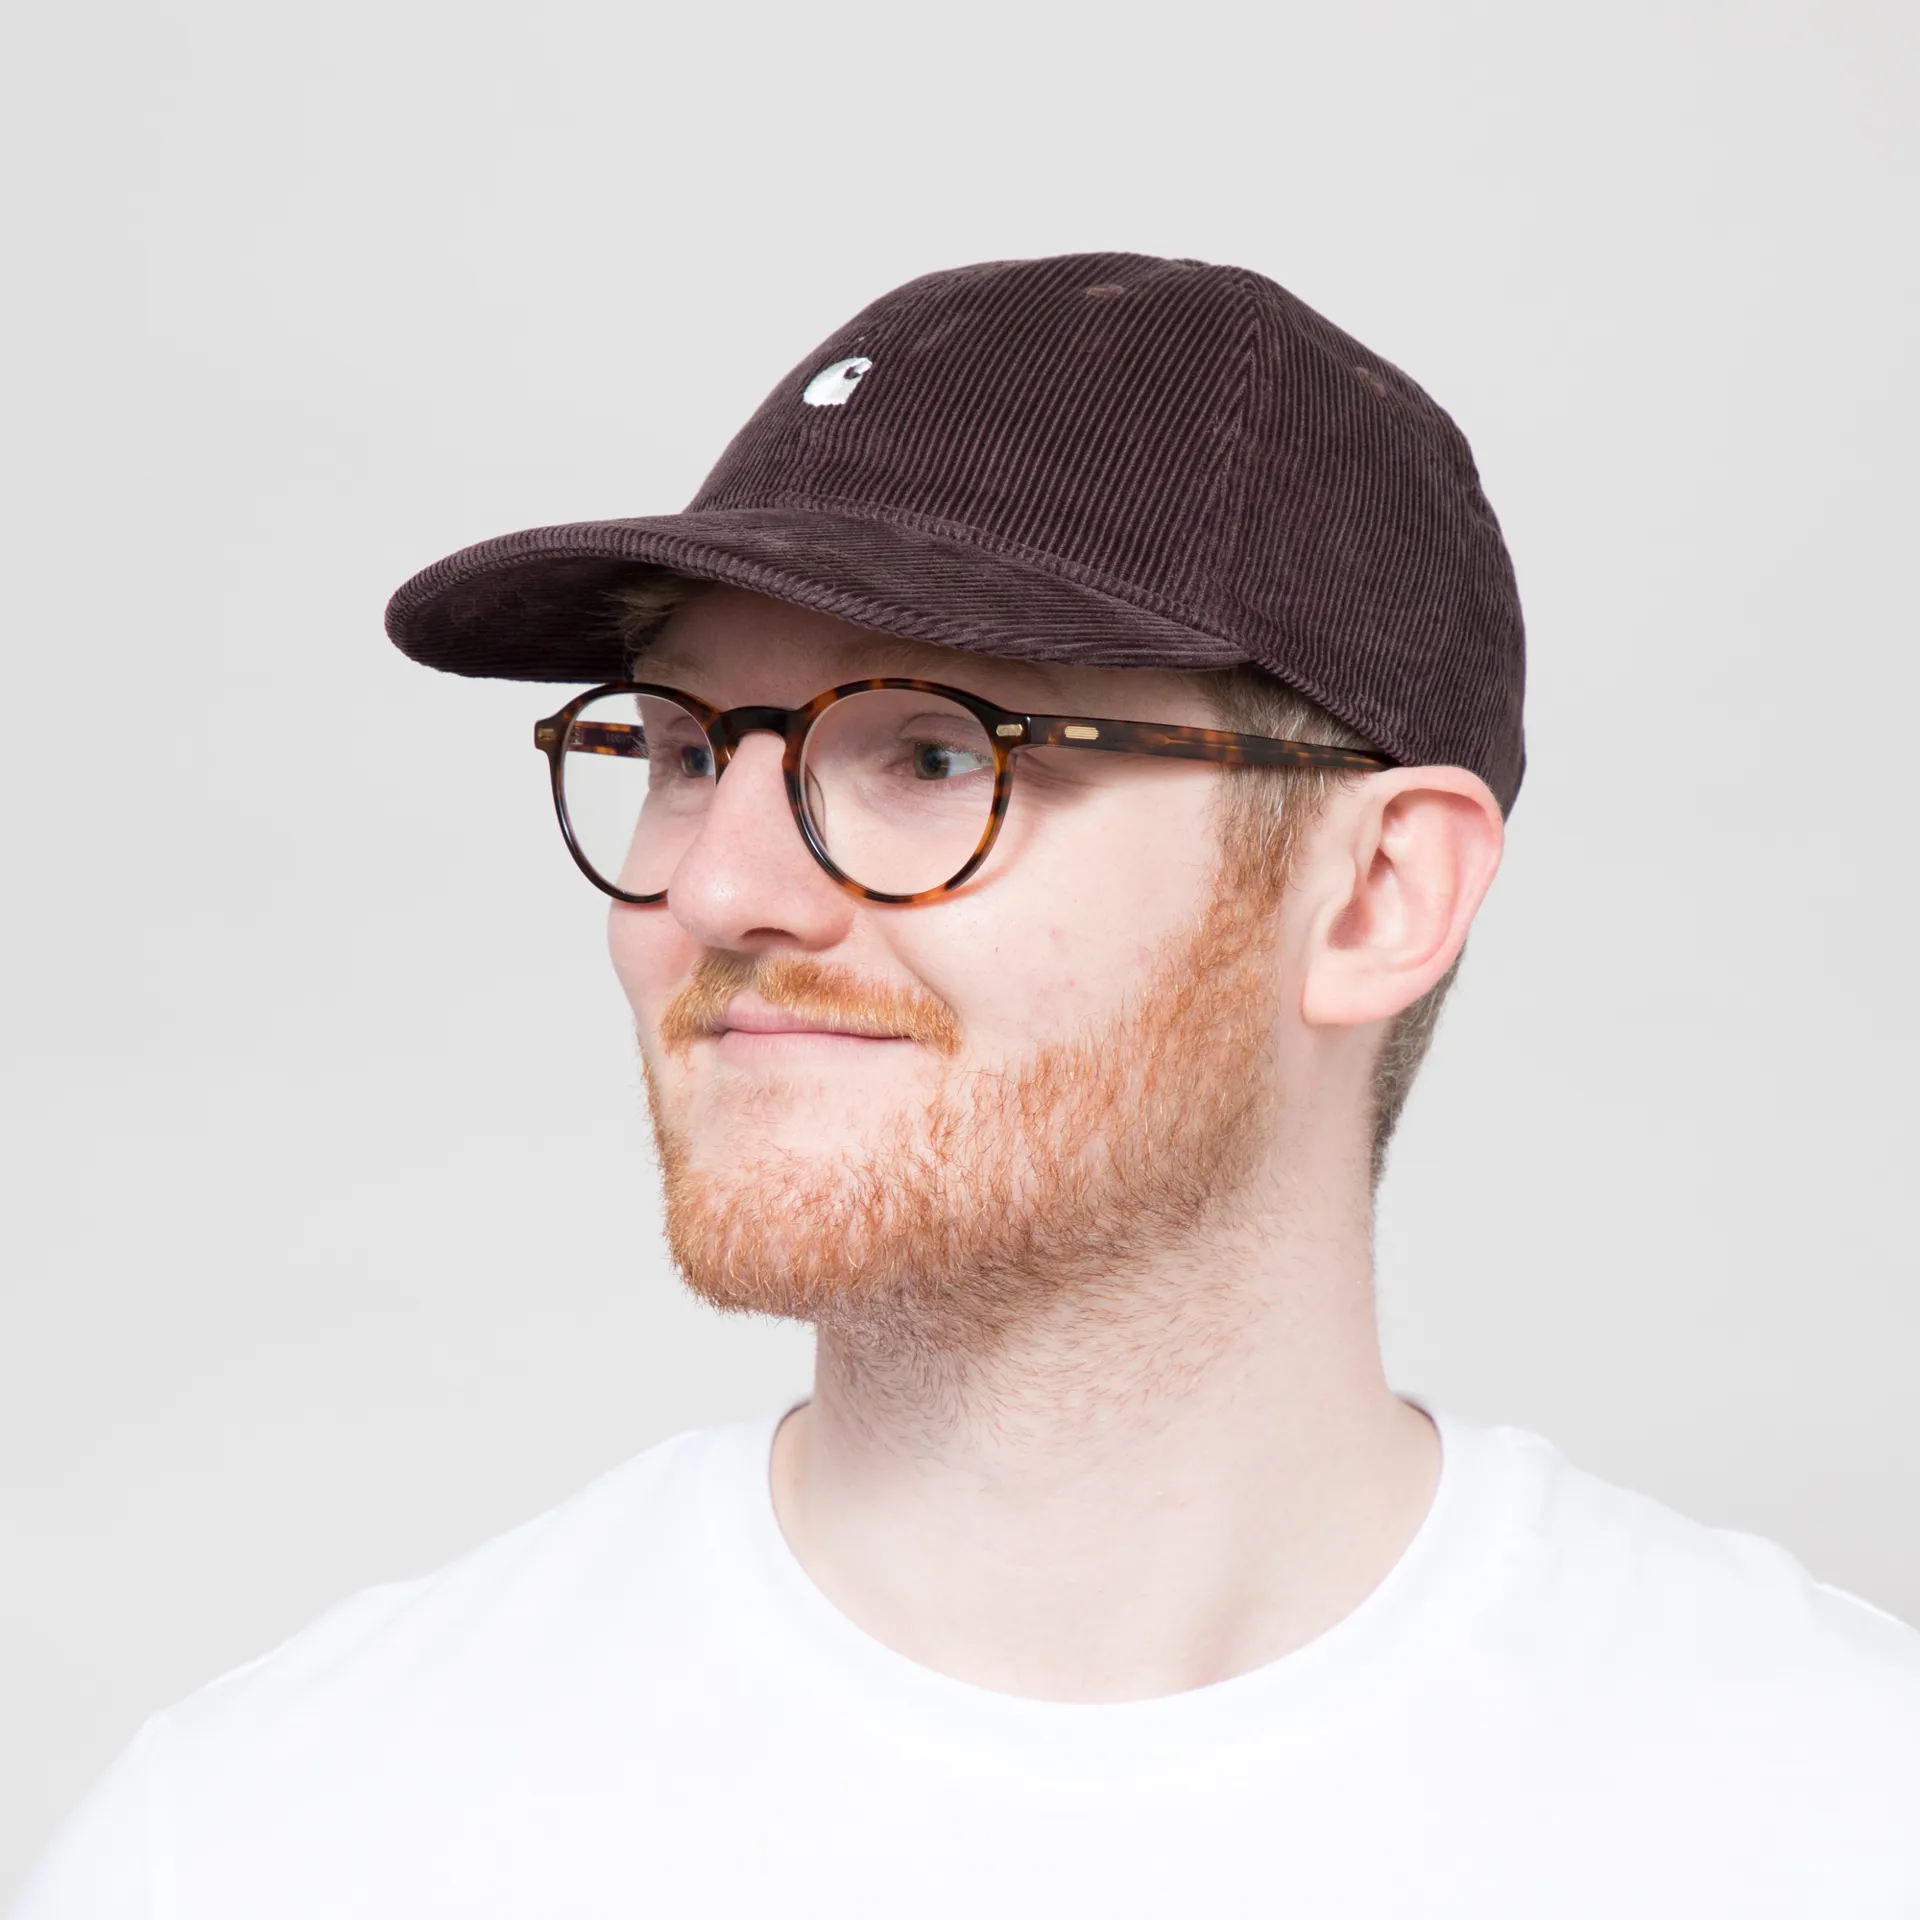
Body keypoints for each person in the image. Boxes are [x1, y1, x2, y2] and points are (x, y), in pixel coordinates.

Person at [16, 251, 1919, 1918]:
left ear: (1375, 896)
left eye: (935, 754)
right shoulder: (278, 1841)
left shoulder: (1828, 1819)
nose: (719, 891)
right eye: (686, 748)